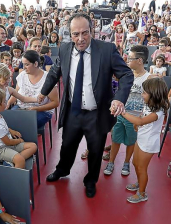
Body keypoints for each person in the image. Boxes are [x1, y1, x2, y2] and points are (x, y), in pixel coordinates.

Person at [39, 13, 134, 198]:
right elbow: (55, 72)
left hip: (96, 113)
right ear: (69, 34)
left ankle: (90, 181)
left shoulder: (107, 50)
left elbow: (126, 75)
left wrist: (119, 98)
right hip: (73, 111)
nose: (80, 39)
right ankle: (62, 170)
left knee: (96, 149)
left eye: (85, 33)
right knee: (67, 146)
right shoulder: (65, 49)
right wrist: (42, 92)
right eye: (76, 34)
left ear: (92, 30)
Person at [104, 45, 150, 176]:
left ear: (140, 60)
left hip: (135, 118)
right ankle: (111, 162)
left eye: (130, 58)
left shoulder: (148, 78)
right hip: (120, 114)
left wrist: (141, 117)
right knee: (115, 139)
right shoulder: (123, 75)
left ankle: (126, 162)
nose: (127, 60)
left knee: (131, 142)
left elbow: (151, 102)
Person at [122, 78, 169, 203]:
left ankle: (142, 193)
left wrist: (123, 112)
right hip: (141, 138)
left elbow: (142, 121)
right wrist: (137, 123)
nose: (142, 95)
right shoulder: (149, 105)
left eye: (144, 93)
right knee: (135, 164)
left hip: (148, 144)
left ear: (154, 94)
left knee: (142, 168)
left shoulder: (158, 112)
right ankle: (139, 183)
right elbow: (141, 116)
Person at [0, 88, 37, 169]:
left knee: (33, 146)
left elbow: (4, 128)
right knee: (20, 160)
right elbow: (8, 142)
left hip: (7, 145)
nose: (6, 102)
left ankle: (10, 161)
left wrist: (11, 131)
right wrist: (19, 141)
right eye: (4, 101)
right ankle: (17, 179)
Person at [9, 50, 59, 129]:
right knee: (9, 120)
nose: (23, 67)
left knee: (26, 124)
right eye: (23, 64)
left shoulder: (48, 79)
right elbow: (16, 93)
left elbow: (55, 102)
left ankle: (24, 140)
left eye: (27, 64)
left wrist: (36, 109)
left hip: (42, 110)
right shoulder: (22, 75)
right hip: (22, 107)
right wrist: (8, 104)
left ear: (35, 64)